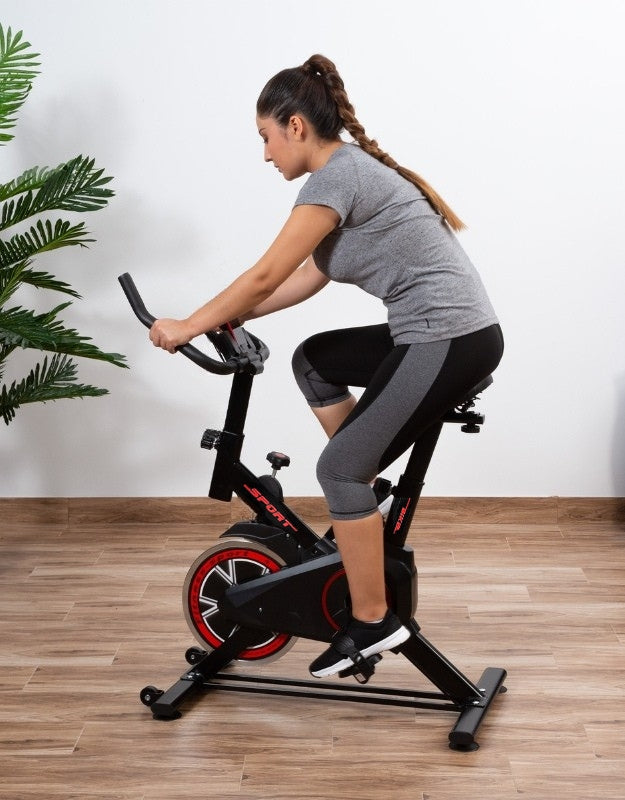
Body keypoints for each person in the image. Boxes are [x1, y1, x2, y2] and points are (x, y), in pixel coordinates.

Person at [149, 54, 504, 678]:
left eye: (265, 138)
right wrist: (236, 318)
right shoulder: (348, 173)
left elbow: (264, 273)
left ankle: (373, 620)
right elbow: (305, 277)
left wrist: (189, 325)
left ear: (295, 126)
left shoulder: (335, 177)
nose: (264, 155)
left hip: (448, 336)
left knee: (337, 468)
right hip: (438, 332)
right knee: (315, 359)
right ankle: (359, 499)